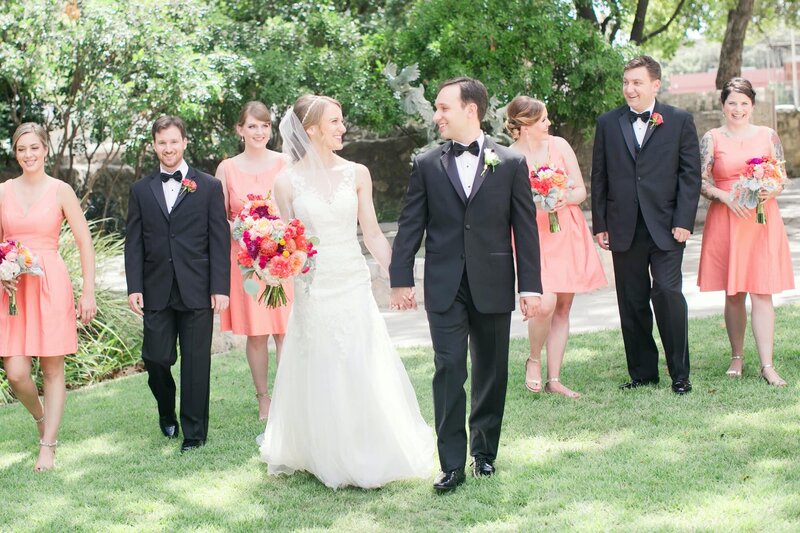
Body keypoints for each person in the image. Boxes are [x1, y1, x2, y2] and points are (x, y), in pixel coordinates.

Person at [259, 95, 434, 490]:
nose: (342, 128)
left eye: (341, 121)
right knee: (320, 361)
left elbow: (371, 233)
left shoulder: (357, 173)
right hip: (313, 287)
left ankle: (369, 442)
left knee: (361, 359)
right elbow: (284, 241)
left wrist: (399, 278)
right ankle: (322, 448)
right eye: (334, 122)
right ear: (312, 129)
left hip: (352, 281)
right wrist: (271, 265)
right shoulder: (285, 182)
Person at [390, 77, 543, 492]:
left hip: (493, 281)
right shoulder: (426, 164)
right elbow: (410, 226)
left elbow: (525, 229)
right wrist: (400, 278)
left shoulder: (509, 163)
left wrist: (530, 286)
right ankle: (452, 463)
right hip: (444, 284)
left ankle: (484, 455)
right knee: (449, 368)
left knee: (491, 371)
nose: (436, 115)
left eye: (443, 108)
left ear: (470, 110)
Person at [591, 55, 701, 395]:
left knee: (667, 293)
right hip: (623, 225)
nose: (629, 88)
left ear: (655, 84)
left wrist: (684, 221)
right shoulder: (608, 123)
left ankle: (679, 374)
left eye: (637, 82)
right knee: (631, 299)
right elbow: (600, 175)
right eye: (626, 82)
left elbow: (690, 174)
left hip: (667, 225)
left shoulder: (679, 120)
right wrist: (600, 223)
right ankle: (642, 373)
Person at [124, 116, 230, 453]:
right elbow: (134, 242)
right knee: (155, 358)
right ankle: (166, 410)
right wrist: (134, 286)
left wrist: (221, 287)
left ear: (184, 142)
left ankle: (194, 433)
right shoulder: (141, 190)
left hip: (197, 287)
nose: (168, 148)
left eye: (174, 141)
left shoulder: (209, 186)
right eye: (162, 142)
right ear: (154, 145)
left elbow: (219, 240)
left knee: (197, 363)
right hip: (156, 288)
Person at [0, 122, 96, 471]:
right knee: (16, 372)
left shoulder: (60, 190)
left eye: (34, 148)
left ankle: (49, 444)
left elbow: (84, 241)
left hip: (50, 283)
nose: (28, 155)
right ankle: (41, 418)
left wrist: (88, 291)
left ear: (45, 150)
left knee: (53, 368)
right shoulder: (3, 191)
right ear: (16, 153)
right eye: (22, 149)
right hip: (13, 290)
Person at [507, 97, 606, 399]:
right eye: (542, 120)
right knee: (544, 303)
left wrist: (564, 197)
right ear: (524, 125)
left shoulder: (559, 146)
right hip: (532, 237)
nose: (549, 124)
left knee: (562, 307)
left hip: (566, 230)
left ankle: (555, 378)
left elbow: (579, 189)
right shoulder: (509, 157)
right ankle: (533, 359)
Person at [697, 77, 794, 386]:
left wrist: (772, 190)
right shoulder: (711, 138)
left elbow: (782, 175)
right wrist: (724, 197)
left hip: (761, 220)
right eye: (732, 103)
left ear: (752, 106)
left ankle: (767, 364)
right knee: (734, 292)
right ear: (723, 105)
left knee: (762, 290)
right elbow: (699, 180)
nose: (737, 109)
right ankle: (736, 356)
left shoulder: (768, 135)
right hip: (727, 219)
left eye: (743, 103)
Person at [216, 101, 292, 420]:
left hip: (281, 256)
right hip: (246, 259)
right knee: (257, 333)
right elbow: (218, 218)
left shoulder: (285, 162)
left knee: (286, 330)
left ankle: (292, 396)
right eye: (252, 126)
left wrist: (279, 232)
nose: (259, 131)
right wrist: (239, 227)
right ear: (240, 130)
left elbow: (295, 208)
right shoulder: (227, 168)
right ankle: (264, 400)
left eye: (265, 125)